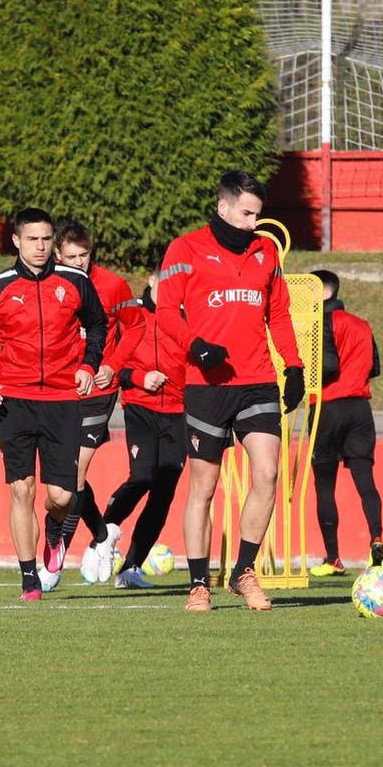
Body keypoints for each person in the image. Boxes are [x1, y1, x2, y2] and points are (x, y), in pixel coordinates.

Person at [155, 170, 306, 612]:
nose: (252, 223)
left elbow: (278, 315)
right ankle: (199, 584)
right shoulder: (185, 249)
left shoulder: (266, 251)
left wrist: (293, 365)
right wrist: (194, 346)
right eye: (245, 213)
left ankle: (244, 571)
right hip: (207, 385)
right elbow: (165, 311)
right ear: (223, 207)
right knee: (204, 485)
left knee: (268, 473)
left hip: (257, 380)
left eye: (257, 215)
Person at [0, 208, 107, 602]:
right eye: (33, 239)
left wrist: (89, 365)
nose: (40, 246)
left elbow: (98, 325)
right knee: (21, 490)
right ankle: (29, 580)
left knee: (60, 496)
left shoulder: (76, 281)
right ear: (17, 241)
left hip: (62, 400)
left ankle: (55, 530)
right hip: (15, 401)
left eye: (45, 239)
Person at [46, 222, 146, 587]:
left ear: (92, 253)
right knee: (62, 480)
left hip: (99, 389)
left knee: (73, 475)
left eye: (83, 256)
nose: (78, 263)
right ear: (58, 256)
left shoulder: (112, 285)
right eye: (70, 257)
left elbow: (136, 328)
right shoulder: (50, 284)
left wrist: (112, 366)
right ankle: (103, 535)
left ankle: (53, 561)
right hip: (60, 389)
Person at [100, 274, 187, 589]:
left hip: (180, 413)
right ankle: (103, 535)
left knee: (163, 493)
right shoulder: (131, 315)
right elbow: (109, 365)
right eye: (166, 280)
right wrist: (138, 377)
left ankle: (131, 568)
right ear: (152, 279)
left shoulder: (189, 315)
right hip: (140, 406)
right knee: (142, 477)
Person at [305, 270, 383, 577]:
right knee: (366, 482)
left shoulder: (320, 324)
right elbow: (374, 367)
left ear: (322, 294)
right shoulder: (362, 324)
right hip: (360, 408)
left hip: (328, 407)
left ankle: (333, 557)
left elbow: (327, 365)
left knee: (325, 485)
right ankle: (377, 538)